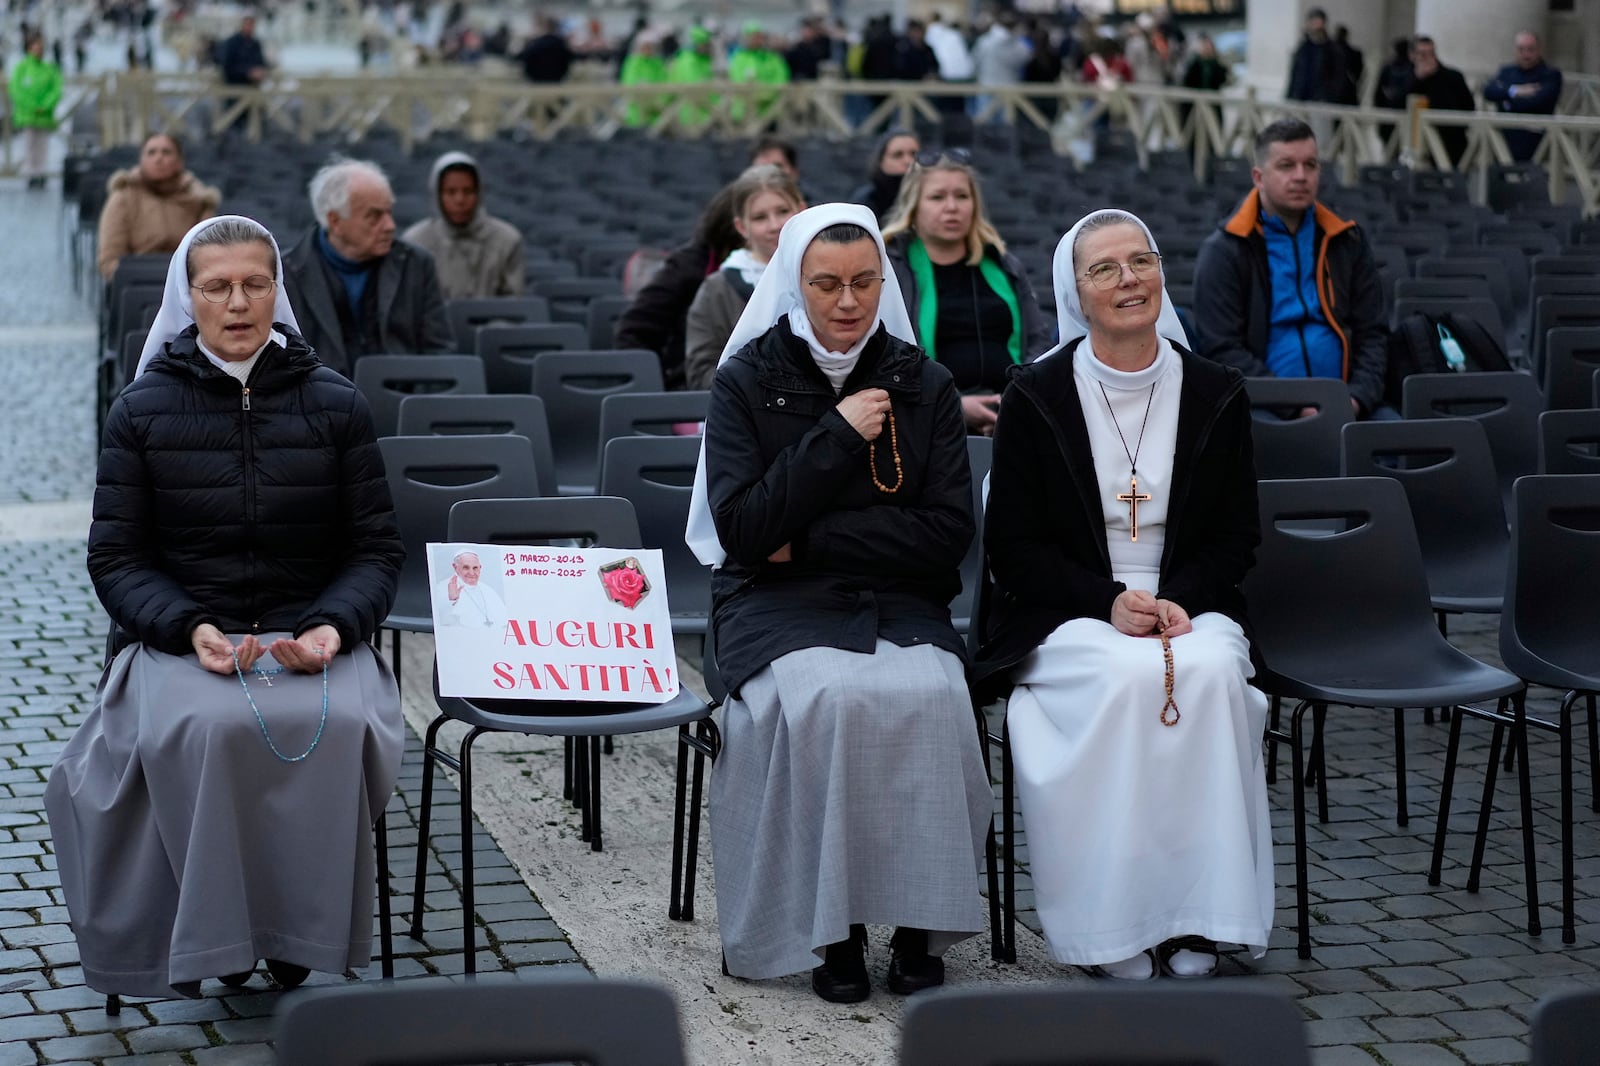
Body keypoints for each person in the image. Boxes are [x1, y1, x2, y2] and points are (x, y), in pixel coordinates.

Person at [45, 215, 406, 999]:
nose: (238, 303)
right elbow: (116, 556)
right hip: (182, 641)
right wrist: (189, 626)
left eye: (255, 284)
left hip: (310, 638)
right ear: (189, 297)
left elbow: (376, 551)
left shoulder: (336, 404)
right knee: (211, 726)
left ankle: (297, 933)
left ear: (278, 292)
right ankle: (225, 936)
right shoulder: (141, 411)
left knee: (340, 724)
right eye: (218, 287)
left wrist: (329, 627)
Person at [686, 203, 991, 1003]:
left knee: (934, 696)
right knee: (826, 700)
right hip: (773, 601)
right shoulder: (746, 378)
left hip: (898, 600)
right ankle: (836, 929)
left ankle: (923, 924)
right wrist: (840, 436)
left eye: (864, 282)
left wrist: (812, 537)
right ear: (796, 284)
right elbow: (745, 530)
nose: (848, 301)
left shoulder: (926, 383)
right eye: (827, 284)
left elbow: (945, 534)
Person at [975, 207, 1271, 980]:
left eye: (1139, 261)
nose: (1127, 280)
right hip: (1068, 609)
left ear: (1161, 272)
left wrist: (1178, 597)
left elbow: (1238, 537)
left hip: (1189, 602)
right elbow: (1014, 549)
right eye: (1104, 269)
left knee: (1206, 674)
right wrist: (1106, 601)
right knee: (1123, 677)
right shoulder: (1036, 396)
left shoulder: (1216, 391)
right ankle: (1111, 926)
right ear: (1076, 292)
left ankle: (1201, 919)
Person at [1192, 119, 1388, 419]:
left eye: (1310, 165)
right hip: (1263, 405)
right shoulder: (1225, 250)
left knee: (1398, 443)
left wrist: (1356, 399)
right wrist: (1295, 405)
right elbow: (1221, 349)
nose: (1301, 176)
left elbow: (1373, 333)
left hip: (1349, 401)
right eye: (1286, 166)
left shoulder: (1347, 241)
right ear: (1258, 177)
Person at [881, 150, 1051, 435]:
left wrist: (1019, 398)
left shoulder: (1004, 263)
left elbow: (1038, 340)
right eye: (937, 197)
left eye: (962, 196)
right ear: (914, 206)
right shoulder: (892, 268)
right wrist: (953, 404)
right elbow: (888, 357)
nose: (952, 207)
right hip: (930, 418)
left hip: (1013, 413)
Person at [281, 159, 452, 376]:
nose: (390, 226)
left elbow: (439, 353)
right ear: (335, 221)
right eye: (374, 216)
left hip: (405, 399)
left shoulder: (416, 265)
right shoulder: (287, 275)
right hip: (324, 403)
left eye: (389, 213)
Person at [684, 165, 805, 390]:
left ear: (800, 210)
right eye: (760, 217)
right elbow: (701, 372)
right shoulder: (717, 289)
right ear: (741, 227)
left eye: (783, 211)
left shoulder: (826, 273)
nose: (775, 225)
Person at [614, 179, 744, 389]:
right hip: (693, 385)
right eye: (760, 218)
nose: (774, 226)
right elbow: (633, 330)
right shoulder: (689, 267)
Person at [400, 151, 525, 300]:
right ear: (437, 195)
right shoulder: (415, 242)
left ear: (479, 193)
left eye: (468, 191)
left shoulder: (507, 240)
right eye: (451, 192)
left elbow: (514, 304)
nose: (460, 200)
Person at [97, 133, 221, 281]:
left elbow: (207, 256)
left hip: (185, 283)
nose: (158, 158)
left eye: (166, 152)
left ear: (179, 162)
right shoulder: (123, 197)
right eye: (151, 152)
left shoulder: (199, 198)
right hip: (137, 283)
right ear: (141, 161)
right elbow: (109, 260)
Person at [1482, 31, 1563, 162]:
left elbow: (1538, 102)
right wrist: (1514, 91)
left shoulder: (1551, 75)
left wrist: (1506, 102)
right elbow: (1488, 92)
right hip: (1503, 138)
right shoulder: (1506, 71)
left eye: (1530, 49)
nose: (1526, 55)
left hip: (1535, 142)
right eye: (1521, 49)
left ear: (1539, 50)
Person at [1406, 36, 1475, 167]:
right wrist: (1418, 79)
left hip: (1450, 143)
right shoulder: (1406, 76)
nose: (1427, 58)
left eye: (1431, 53)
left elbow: (1467, 107)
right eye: (1422, 54)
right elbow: (1397, 103)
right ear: (1412, 56)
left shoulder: (1453, 77)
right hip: (1413, 143)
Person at [9, 34, 61, 190]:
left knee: (42, 145)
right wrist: (32, 106)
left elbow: (56, 88)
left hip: (44, 114)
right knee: (29, 144)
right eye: (34, 47)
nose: (37, 50)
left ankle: (41, 172)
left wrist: (45, 105)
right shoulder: (22, 67)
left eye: (39, 47)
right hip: (28, 114)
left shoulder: (48, 68)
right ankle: (31, 173)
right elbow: (16, 89)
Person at [848, 128, 920, 222]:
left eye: (914, 154)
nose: (908, 161)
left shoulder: (932, 194)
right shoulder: (865, 202)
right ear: (881, 161)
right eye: (897, 155)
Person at [1286, 8, 1344, 104]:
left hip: (1321, 101)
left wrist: (1329, 97)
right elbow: (1295, 74)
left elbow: (1338, 77)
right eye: (1313, 22)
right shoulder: (1303, 48)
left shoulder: (1332, 50)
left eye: (1318, 22)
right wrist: (1290, 96)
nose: (1316, 26)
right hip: (1300, 99)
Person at [434, 550, 507, 627]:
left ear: (480, 568)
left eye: (475, 568)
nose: (471, 573)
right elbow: (441, 621)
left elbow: (504, 619)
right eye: (466, 568)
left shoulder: (488, 590)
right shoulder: (442, 588)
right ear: (455, 567)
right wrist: (451, 601)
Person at [517, 16, 574, 83]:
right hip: (557, 78)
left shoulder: (535, 43)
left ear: (543, 27)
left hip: (536, 79)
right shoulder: (562, 44)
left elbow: (523, 59)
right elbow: (570, 60)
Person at [218, 14, 267, 87]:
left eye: (252, 25)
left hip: (252, 85)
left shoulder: (255, 44)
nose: (250, 28)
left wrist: (260, 70)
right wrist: (248, 72)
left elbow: (260, 61)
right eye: (248, 25)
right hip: (234, 84)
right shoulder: (232, 42)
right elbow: (228, 65)